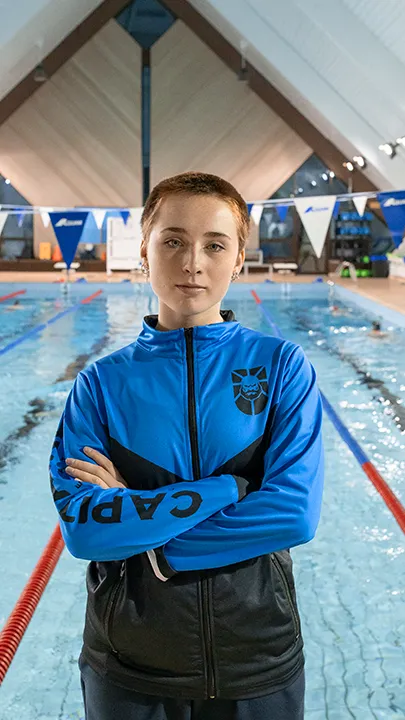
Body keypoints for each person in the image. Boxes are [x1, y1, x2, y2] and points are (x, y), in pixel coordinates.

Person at [49, 172, 324, 720]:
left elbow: (293, 514)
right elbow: (84, 527)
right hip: (129, 664)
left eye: (214, 245)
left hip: (258, 656)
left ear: (239, 258)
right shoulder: (100, 385)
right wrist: (230, 487)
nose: (192, 262)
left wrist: (147, 536)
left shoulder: (282, 367)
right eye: (172, 240)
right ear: (145, 255)